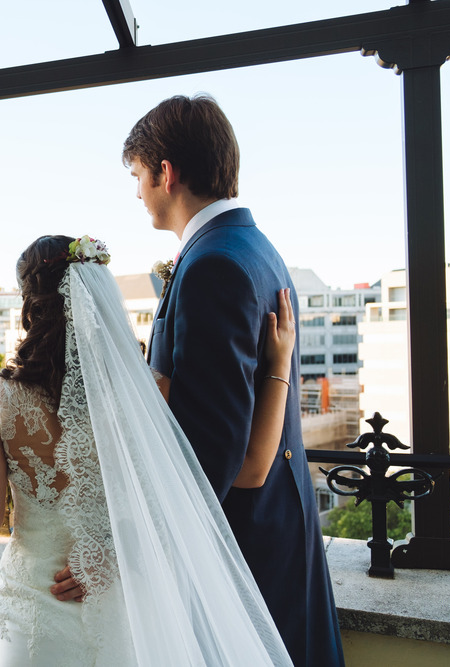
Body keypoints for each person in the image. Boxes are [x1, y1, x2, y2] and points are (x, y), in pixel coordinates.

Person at [0, 234, 295, 665]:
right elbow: (242, 473)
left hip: (34, 608)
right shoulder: (149, 393)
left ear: (31, 303)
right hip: (122, 603)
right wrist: (280, 364)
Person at [114, 93, 343, 666]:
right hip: (278, 531)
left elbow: (212, 459)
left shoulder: (213, 266)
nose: (137, 191)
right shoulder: (254, 247)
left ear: (166, 173)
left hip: (245, 555)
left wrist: (127, 556)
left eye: (138, 175)